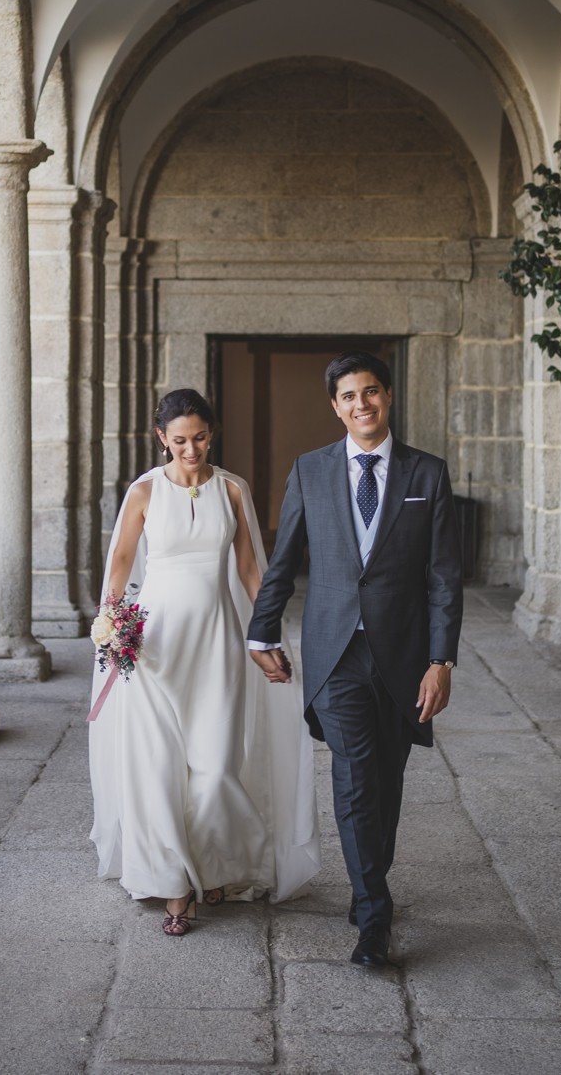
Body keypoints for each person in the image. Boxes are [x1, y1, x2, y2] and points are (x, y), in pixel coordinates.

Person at [246, 352, 463, 968]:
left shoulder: (427, 474)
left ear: (387, 398)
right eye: (348, 395)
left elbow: (444, 576)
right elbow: (283, 558)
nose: (360, 403)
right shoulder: (310, 471)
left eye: (370, 392)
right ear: (335, 406)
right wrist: (262, 634)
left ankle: (371, 881)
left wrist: (441, 661)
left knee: (385, 781)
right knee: (354, 774)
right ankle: (374, 915)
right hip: (335, 651)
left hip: (403, 656)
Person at [88, 388, 319, 934]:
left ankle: (215, 863)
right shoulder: (144, 492)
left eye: (199, 437)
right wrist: (109, 626)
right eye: (179, 440)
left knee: (216, 768)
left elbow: (249, 570)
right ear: (161, 439)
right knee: (159, 768)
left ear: (211, 433)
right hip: (154, 645)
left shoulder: (232, 490)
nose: (190, 449)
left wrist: (266, 635)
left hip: (217, 643)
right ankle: (175, 886)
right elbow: (120, 563)